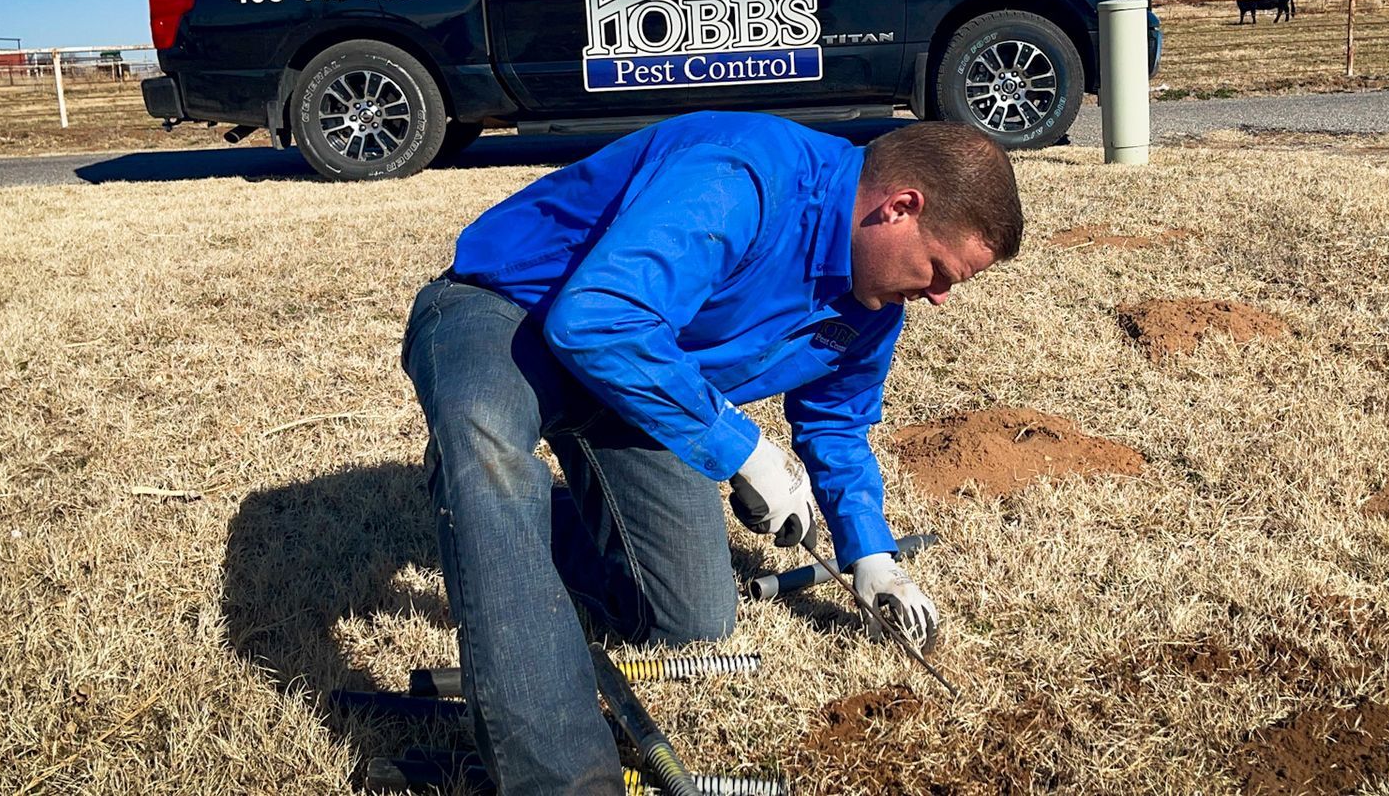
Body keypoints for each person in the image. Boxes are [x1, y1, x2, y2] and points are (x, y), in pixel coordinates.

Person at [400, 111, 1023, 793]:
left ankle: (509, 512)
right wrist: (743, 449)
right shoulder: (746, 174)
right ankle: (565, 777)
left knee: (691, 619)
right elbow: (599, 317)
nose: (937, 297)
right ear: (900, 207)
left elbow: (837, 425)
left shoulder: (872, 307)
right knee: (489, 453)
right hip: (506, 310)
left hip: (642, 380)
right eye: (940, 271)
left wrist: (870, 556)